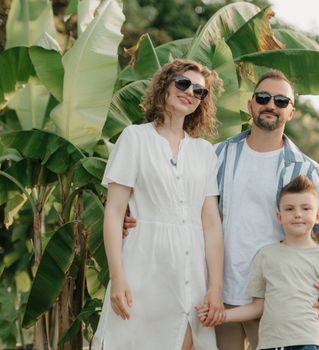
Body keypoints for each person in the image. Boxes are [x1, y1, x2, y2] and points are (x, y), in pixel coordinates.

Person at [124, 69, 319, 350]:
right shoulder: (217, 156)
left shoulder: (308, 169)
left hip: (277, 299)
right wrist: (131, 214)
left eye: (281, 101)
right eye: (263, 97)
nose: (271, 105)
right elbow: (180, 201)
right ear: (250, 104)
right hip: (219, 293)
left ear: (291, 112)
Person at [92, 59, 225, 350]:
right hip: (141, 267)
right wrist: (117, 277)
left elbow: (211, 224)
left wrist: (215, 287)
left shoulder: (205, 153)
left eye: (200, 91)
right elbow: (114, 212)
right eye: (183, 83)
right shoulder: (134, 138)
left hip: (191, 274)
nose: (191, 92)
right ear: (164, 85)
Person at [196, 175, 319, 350]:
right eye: (290, 209)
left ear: (317, 216)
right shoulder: (266, 256)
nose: (298, 214)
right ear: (279, 216)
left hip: (310, 342)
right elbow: (257, 307)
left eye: (306, 208)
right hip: (272, 344)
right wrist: (220, 315)